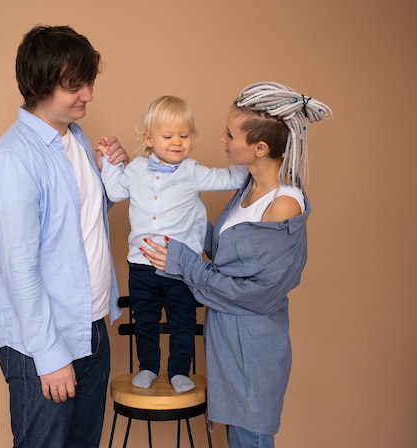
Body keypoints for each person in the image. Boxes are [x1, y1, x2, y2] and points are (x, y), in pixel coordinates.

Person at [142, 82, 332, 447]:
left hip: (253, 353)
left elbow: (256, 294)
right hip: (229, 347)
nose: (222, 138)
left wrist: (184, 262)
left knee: (250, 439)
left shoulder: (283, 206)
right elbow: (230, 255)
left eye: (231, 134)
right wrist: (178, 221)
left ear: (259, 148)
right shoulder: (248, 190)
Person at [0, 25, 129, 448]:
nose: (88, 95)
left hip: (92, 327)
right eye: (74, 85)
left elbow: (85, 218)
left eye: (89, 82)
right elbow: (19, 269)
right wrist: (49, 357)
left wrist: (115, 172)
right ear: (38, 84)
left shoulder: (75, 138)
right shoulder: (14, 160)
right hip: (42, 345)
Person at [96, 95, 248, 393]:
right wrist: (108, 161)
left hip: (181, 268)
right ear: (149, 138)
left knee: (182, 320)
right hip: (140, 267)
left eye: (184, 135)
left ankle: (179, 369)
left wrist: (254, 156)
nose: (177, 142)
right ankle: (148, 367)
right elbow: (113, 191)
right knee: (145, 321)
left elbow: (229, 178)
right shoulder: (137, 170)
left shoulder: (192, 171)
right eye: (168, 136)